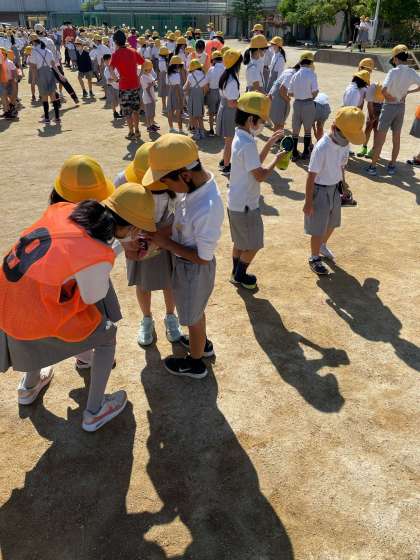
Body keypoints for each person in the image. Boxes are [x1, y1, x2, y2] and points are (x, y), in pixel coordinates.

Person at [0, 180, 156, 432]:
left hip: (7, 306)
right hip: (31, 318)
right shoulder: (97, 254)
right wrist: (120, 249)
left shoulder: (66, 210)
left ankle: (29, 387)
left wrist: (119, 246)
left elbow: (74, 250)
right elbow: (94, 295)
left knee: (36, 301)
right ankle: (95, 411)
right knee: (106, 333)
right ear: (133, 228)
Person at [142, 134, 224, 379]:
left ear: (185, 175)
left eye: (166, 182)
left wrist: (165, 243)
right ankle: (202, 344)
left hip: (193, 270)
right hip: (187, 267)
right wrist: (158, 235)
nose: (166, 188)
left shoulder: (208, 207)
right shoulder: (193, 188)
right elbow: (180, 221)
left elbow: (202, 258)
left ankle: (195, 363)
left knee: (192, 318)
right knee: (196, 312)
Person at [113, 143, 183, 346]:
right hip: (135, 236)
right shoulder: (123, 180)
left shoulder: (174, 183)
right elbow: (115, 217)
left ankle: (171, 316)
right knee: (142, 283)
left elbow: (181, 216)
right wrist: (127, 243)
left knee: (170, 280)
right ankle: (146, 319)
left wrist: (161, 236)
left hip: (166, 234)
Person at [228, 92, 284, 289]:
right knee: (254, 244)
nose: (262, 124)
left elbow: (254, 163)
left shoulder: (240, 137)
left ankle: (235, 273)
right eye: (261, 121)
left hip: (235, 203)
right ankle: (241, 275)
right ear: (251, 119)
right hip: (246, 206)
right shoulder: (247, 143)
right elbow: (259, 175)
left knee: (240, 242)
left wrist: (269, 143)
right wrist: (276, 160)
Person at [303, 107, 365, 275]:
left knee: (333, 222)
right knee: (318, 227)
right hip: (319, 190)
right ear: (335, 128)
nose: (348, 139)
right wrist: (308, 202)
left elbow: (341, 166)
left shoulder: (344, 143)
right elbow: (311, 176)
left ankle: (322, 245)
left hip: (334, 188)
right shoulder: (322, 147)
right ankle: (314, 257)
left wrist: (343, 184)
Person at [366, 44, 420, 176]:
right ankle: (392, 165)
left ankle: (373, 166)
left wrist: (389, 97)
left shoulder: (393, 72)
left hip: (389, 106)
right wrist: (408, 92)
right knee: (396, 137)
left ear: (395, 58)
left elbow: (384, 90)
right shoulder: (412, 72)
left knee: (380, 138)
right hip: (401, 107)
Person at [110, 29, 145, 141]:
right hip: (135, 84)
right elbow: (143, 63)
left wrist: (116, 79)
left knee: (127, 112)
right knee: (135, 110)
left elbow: (110, 68)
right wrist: (139, 76)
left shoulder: (115, 54)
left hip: (124, 86)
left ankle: (131, 132)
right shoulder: (133, 51)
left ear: (115, 41)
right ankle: (137, 130)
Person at [216, 49, 243, 176]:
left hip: (224, 109)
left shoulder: (225, 75)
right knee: (229, 142)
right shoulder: (232, 81)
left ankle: (224, 161)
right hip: (229, 112)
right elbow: (232, 103)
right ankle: (227, 166)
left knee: (227, 140)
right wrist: (243, 104)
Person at [288, 51, 318, 160]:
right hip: (308, 103)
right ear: (310, 62)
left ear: (300, 62)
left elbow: (290, 93)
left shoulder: (295, 75)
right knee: (307, 129)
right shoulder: (312, 74)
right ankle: (306, 152)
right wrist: (309, 95)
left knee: (295, 130)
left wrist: (299, 93)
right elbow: (315, 92)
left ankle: (294, 152)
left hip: (297, 104)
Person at [29, 32, 63, 124]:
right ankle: (57, 118)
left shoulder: (33, 51)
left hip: (41, 74)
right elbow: (53, 65)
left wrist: (33, 79)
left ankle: (47, 118)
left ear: (33, 42)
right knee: (53, 96)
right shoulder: (48, 51)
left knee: (44, 96)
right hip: (50, 72)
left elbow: (33, 67)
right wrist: (60, 74)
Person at [268, 65, 296, 138]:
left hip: (275, 95)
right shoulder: (291, 75)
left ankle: (279, 137)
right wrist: (288, 100)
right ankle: (277, 139)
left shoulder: (288, 71)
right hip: (278, 97)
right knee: (279, 122)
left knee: (279, 122)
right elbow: (282, 90)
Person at [184, 59, 209, 140]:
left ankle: (197, 133)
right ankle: (202, 133)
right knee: (200, 116)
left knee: (194, 116)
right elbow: (206, 89)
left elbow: (186, 88)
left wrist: (186, 93)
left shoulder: (190, 76)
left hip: (192, 96)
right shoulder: (204, 75)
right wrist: (202, 94)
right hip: (200, 96)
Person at [206, 50, 224, 135]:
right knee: (220, 112)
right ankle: (219, 129)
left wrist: (206, 93)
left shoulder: (211, 69)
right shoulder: (225, 68)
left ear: (213, 60)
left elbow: (207, 82)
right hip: (222, 92)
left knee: (211, 112)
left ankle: (211, 130)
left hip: (212, 91)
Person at [166, 55, 184, 134]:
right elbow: (177, 87)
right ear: (177, 65)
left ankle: (171, 128)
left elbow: (167, 84)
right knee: (178, 112)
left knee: (170, 111)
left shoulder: (168, 73)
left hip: (170, 92)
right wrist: (179, 98)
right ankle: (180, 129)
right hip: (177, 92)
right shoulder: (177, 74)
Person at [140, 59, 158, 132]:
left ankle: (152, 124)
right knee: (148, 113)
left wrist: (153, 83)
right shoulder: (143, 77)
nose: (151, 70)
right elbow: (147, 88)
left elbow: (153, 82)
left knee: (152, 112)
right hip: (148, 97)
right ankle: (149, 126)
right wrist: (151, 98)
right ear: (145, 69)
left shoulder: (149, 74)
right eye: (149, 69)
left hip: (151, 95)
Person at [103, 53, 122, 119]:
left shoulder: (115, 67)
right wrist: (117, 79)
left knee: (120, 99)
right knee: (113, 101)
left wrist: (117, 79)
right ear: (105, 61)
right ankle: (115, 113)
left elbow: (119, 75)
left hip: (118, 86)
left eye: (110, 60)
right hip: (111, 87)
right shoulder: (106, 70)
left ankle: (121, 111)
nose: (109, 61)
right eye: (107, 60)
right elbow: (109, 80)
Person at [158, 45, 169, 113]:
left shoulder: (160, 59)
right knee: (166, 91)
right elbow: (166, 70)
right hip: (165, 75)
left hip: (162, 75)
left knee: (163, 92)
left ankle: (164, 107)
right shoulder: (164, 61)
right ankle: (165, 107)